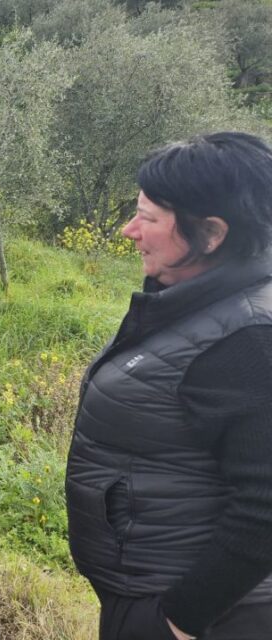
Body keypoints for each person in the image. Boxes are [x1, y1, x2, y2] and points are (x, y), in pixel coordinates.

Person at [66, 131, 272, 640]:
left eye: (148, 218)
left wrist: (179, 621)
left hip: (205, 615)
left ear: (212, 233)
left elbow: (265, 505)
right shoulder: (194, 304)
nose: (127, 230)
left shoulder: (249, 338)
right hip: (150, 592)